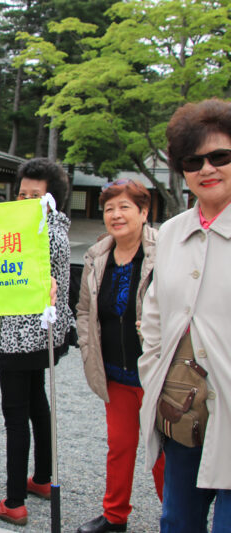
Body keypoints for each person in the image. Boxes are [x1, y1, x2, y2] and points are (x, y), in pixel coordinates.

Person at [139, 98, 231, 532]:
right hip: (182, 409)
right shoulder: (173, 231)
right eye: (193, 161)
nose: (207, 169)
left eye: (220, 156)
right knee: (177, 520)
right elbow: (154, 310)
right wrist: (153, 369)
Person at [0, 158, 74, 526]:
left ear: (52, 199)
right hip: (46, 336)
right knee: (37, 403)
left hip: (22, 337)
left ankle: (14, 500)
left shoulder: (35, 232)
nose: (25, 200)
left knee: (16, 417)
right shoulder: (56, 228)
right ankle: (43, 479)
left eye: (35, 195)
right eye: (21, 193)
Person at [75, 179, 165, 533]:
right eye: (109, 208)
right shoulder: (98, 255)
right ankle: (114, 516)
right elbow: (84, 310)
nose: (116, 214)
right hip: (115, 371)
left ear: (144, 212)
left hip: (159, 372)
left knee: (163, 456)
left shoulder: (165, 250)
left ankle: (176, 517)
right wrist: (87, 346)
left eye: (125, 207)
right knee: (120, 447)